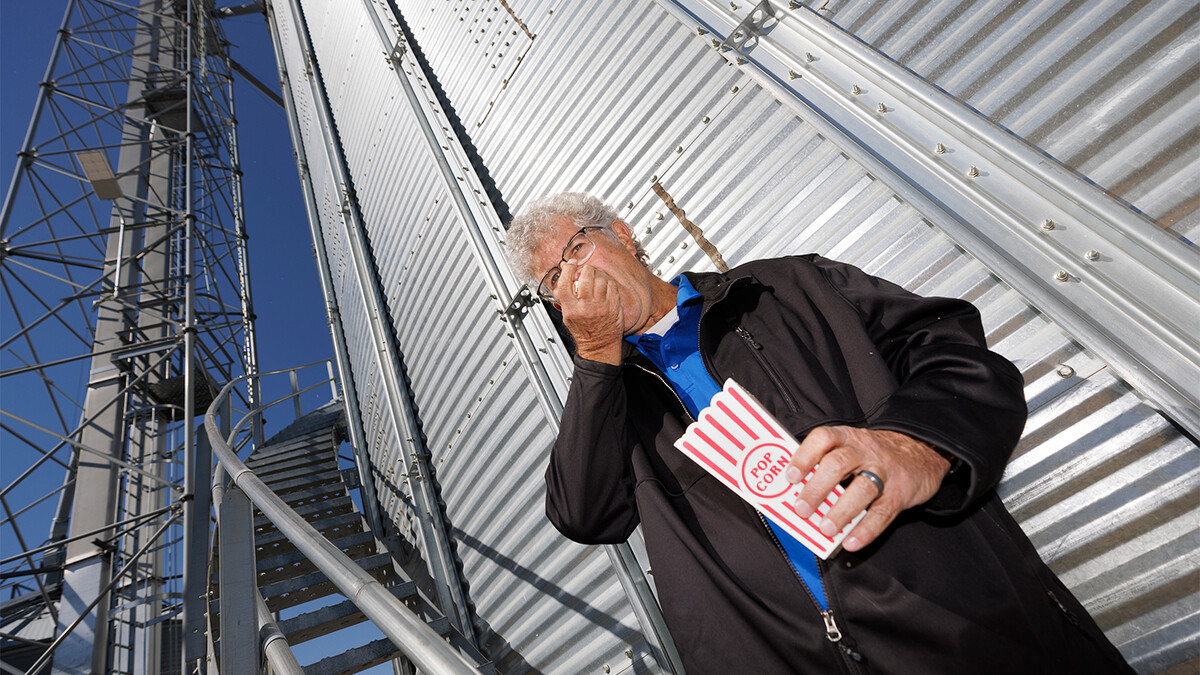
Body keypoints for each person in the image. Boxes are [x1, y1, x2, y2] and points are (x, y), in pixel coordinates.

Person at [505, 192, 1132, 674]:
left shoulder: (788, 289)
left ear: (622, 235)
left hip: (963, 636)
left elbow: (955, 353)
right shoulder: (612, 404)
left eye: (575, 252)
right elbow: (585, 515)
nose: (571, 282)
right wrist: (594, 361)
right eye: (551, 282)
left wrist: (915, 442)